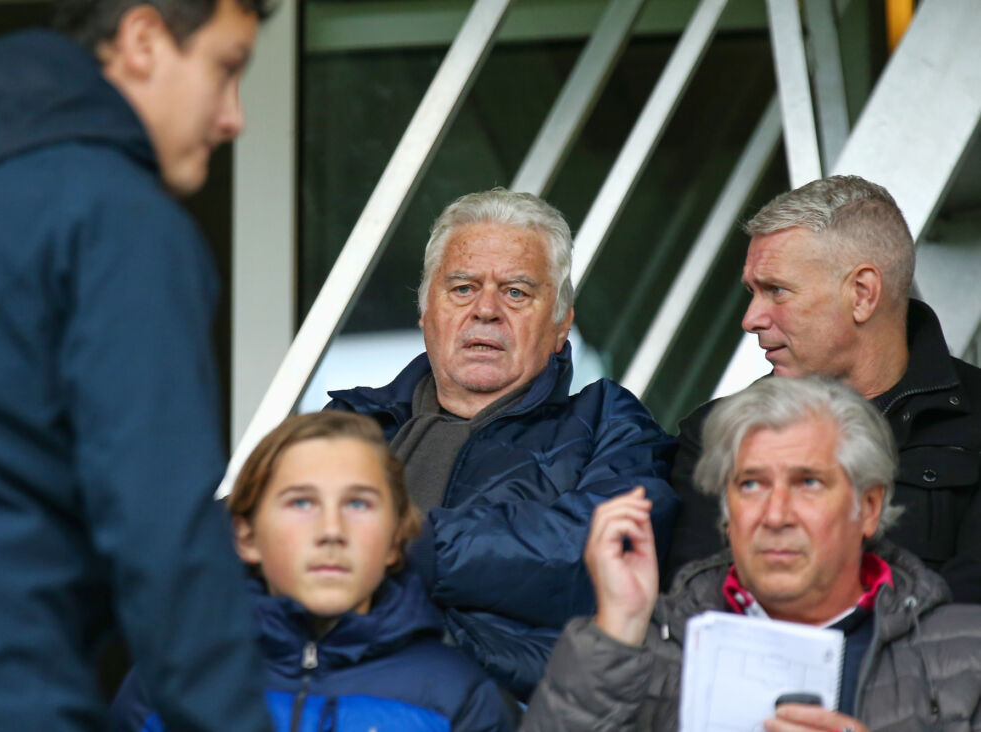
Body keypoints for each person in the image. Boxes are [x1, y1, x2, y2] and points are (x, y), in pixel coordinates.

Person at [0, 0, 272, 729]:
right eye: (225, 70)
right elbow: (165, 531)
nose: (233, 118)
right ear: (144, 40)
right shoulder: (118, 220)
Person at [326, 188, 679, 699]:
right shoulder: (350, 423)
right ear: (426, 311)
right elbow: (254, 531)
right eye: (463, 288)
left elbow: (593, 556)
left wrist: (397, 543)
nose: (486, 310)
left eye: (516, 292)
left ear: (561, 325)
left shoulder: (609, 425)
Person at [523, 377, 981, 731]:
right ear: (726, 512)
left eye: (808, 483)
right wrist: (619, 627)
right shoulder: (648, 642)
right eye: (752, 484)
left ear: (868, 507)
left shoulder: (966, 654)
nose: (775, 514)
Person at [663, 175, 981, 602]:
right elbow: (696, 610)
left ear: (863, 294)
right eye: (752, 292)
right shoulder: (712, 435)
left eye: (777, 290)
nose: (752, 318)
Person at [110, 411, 514, 732]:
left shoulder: (458, 696)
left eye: (358, 504)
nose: (332, 531)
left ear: (394, 540)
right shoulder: (168, 684)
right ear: (247, 536)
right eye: (301, 503)